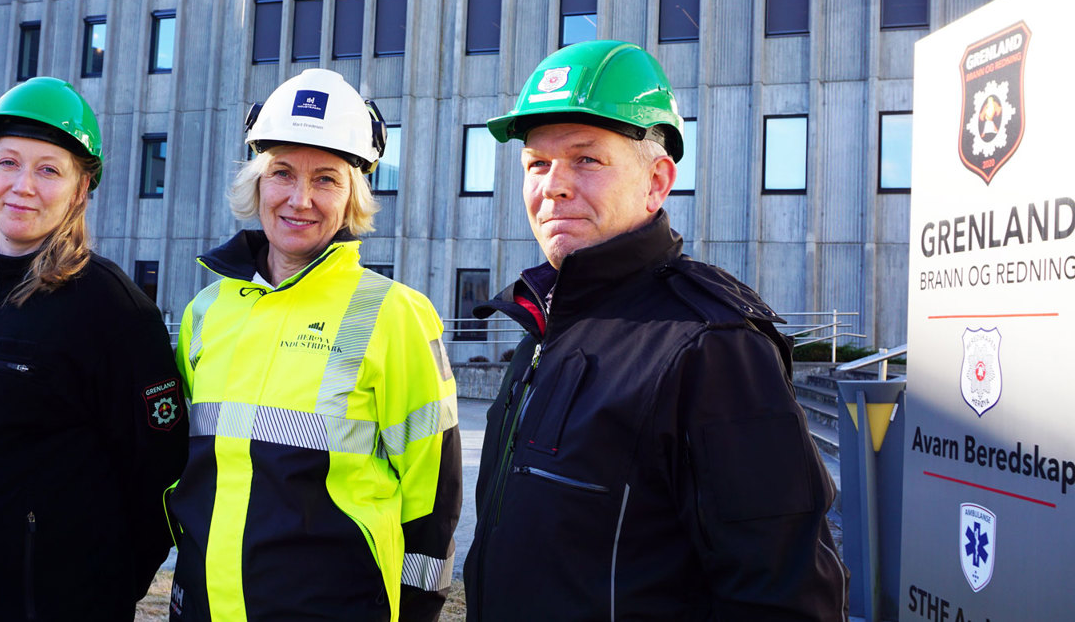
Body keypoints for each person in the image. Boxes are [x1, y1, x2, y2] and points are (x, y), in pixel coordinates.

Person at [463, 40, 849, 620]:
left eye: (586, 159)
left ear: (656, 183)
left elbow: (784, 596)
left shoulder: (713, 344)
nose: (553, 185)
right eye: (537, 164)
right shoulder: (545, 323)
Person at [0, 77, 188, 621]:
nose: (22, 185)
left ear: (80, 189)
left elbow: (157, 482)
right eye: (8, 163)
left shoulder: (112, 311)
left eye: (49, 170)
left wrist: (93, 596)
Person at [166, 68, 461, 622]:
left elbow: (432, 496)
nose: (300, 199)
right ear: (256, 182)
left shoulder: (395, 314)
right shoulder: (205, 313)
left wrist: (418, 610)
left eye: (326, 179)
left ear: (353, 196)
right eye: (282, 173)